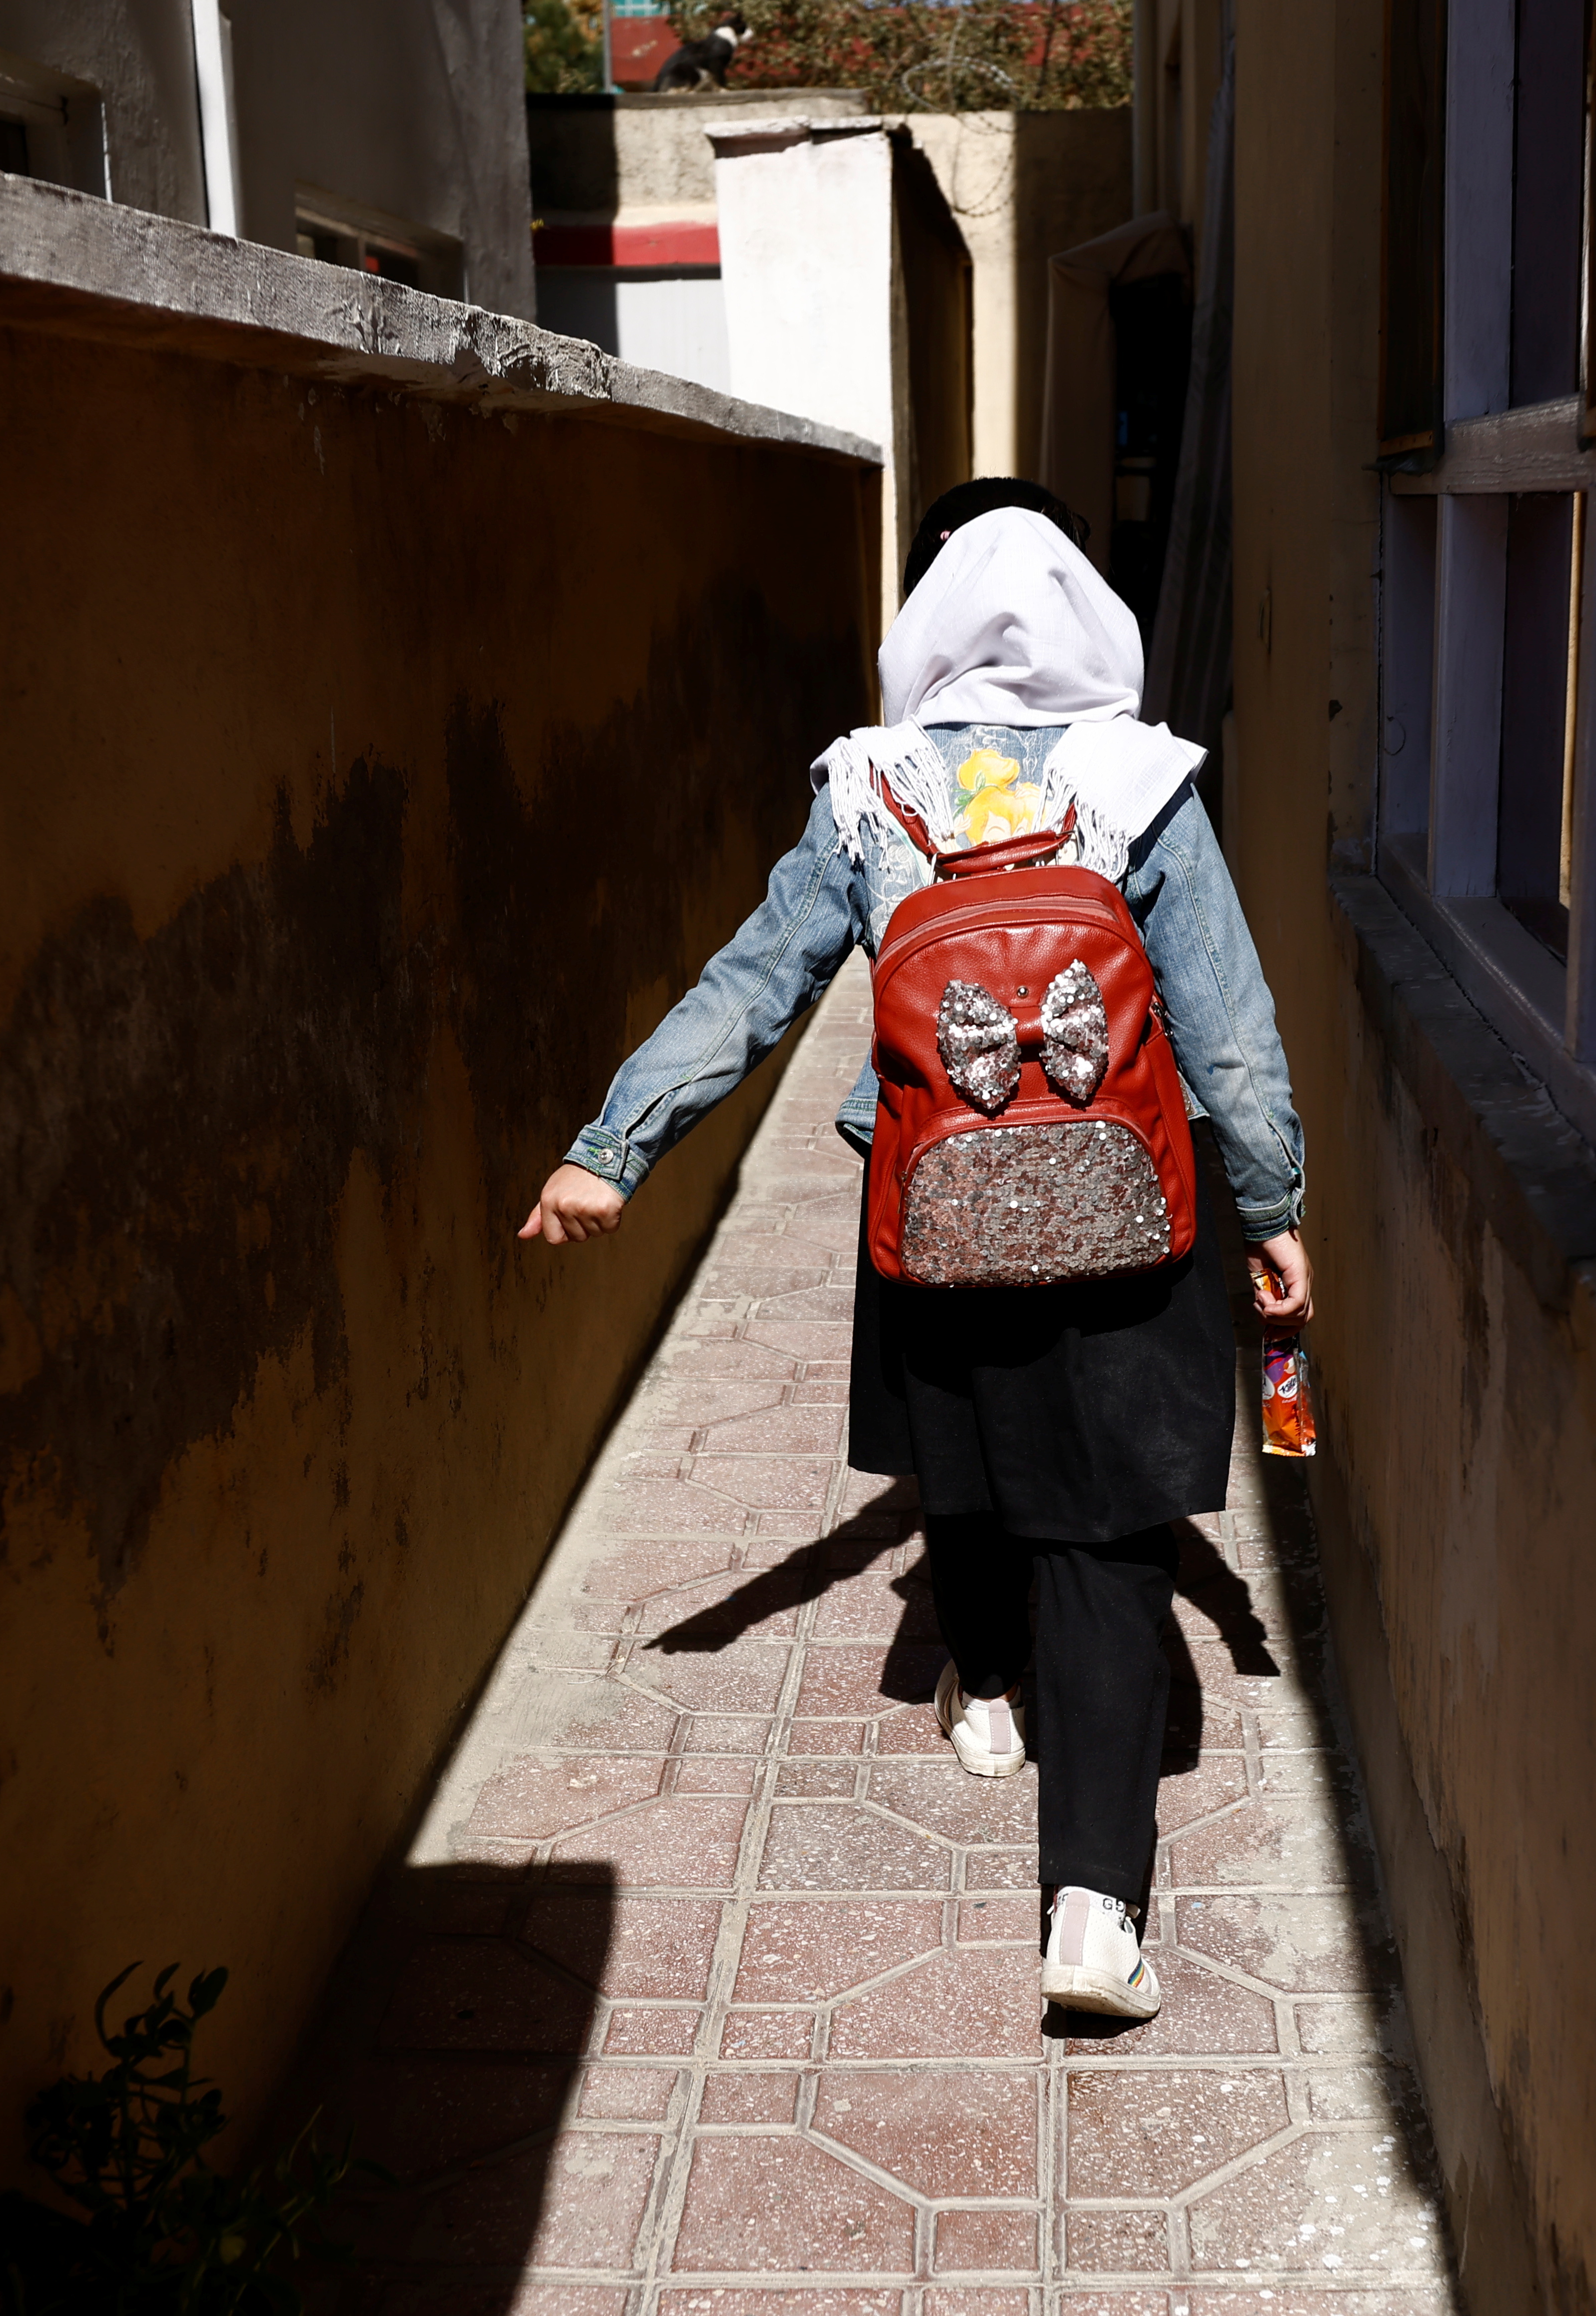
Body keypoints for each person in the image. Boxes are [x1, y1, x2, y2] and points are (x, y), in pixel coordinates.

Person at [517, 479, 1313, 2020]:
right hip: (1128, 1225)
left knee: (966, 1466)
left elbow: (750, 985)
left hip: (935, 1213)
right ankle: (1093, 1911)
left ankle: (984, 1688)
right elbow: (1232, 1035)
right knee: (1106, 1544)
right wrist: (1274, 1214)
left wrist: (610, 1150)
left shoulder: (865, 791)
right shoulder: (1147, 788)